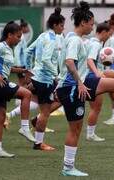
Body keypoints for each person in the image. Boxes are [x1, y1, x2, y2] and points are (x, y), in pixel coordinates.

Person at [57, 2, 114, 176]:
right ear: (83, 22)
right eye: (91, 23)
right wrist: (80, 83)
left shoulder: (71, 37)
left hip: (72, 86)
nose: (93, 27)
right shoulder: (75, 39)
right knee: (74, 129)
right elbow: (69, 62)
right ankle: (68, 167)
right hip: (73, 88)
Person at [0, 21, 33, 158]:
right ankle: (25, 128)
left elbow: (6, 68)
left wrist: (21, 70)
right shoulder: (0, 46)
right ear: (9, 35)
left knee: (0, 117)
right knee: (27, 94)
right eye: (18, 36)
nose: (20, 39)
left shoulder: (9, 49)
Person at [31, 7, 65, 151]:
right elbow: (45, 59)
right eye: (62, 25)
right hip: (44, 79)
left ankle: (36, 121)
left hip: (38, 77)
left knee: (60, 99)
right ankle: (39, 143)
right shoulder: (51, 39)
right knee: (45, 112)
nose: (63, 28)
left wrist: (30, 69)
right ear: (55, 25)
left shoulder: (42, 36)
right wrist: (56, 76)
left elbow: (29, 50)